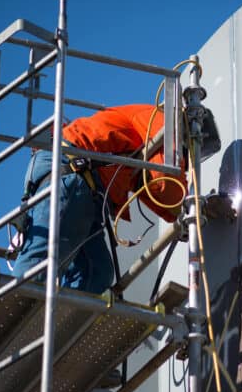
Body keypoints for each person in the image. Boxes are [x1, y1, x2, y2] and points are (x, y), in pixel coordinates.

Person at [11, 104, 186, 294]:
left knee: (96, 273)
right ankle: (13, 303)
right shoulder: (159, 118)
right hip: (72, 169)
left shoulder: (139, 148)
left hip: (86, 187)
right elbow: (167, 180)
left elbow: (153, 190)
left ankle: (70, 320)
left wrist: (179, 217)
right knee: (42, 258)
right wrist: (188, 207)